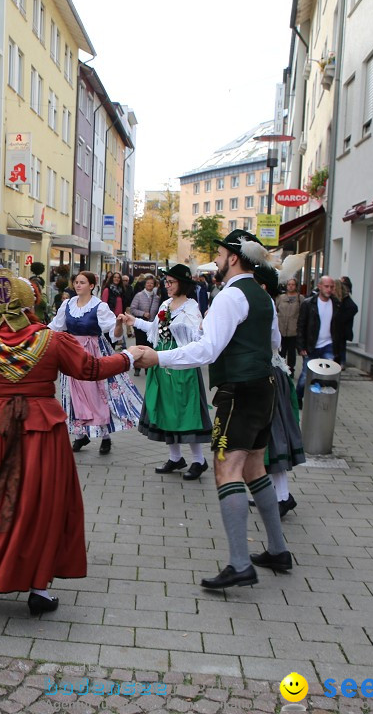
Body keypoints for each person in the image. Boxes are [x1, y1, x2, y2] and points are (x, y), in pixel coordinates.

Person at [0, 269, 142, 613]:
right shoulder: (51, 340)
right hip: (42, 434)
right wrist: (129, 356)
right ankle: (37, 588)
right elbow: (90, 369)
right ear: (29, 304)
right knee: (40, 506)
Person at [133, 230, 291, 590]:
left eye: (220, 254)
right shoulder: (263, 296)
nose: (217, 261)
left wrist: (160, 356)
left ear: (234, 257)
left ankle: (239, 564)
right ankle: (279, 550)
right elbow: (274, 343)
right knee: (254, 466)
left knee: (226, 470)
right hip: (264, 388)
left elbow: (207, 350)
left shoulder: (231, 296)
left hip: (239, 392)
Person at [126, 264, 211, 481]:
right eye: (166, 282)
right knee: (165, 408)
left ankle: (199, 460)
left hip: (181, 363)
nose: (167, 285)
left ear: (182, 284)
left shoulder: (191, 307)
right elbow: (154, 329)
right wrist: (133, 321)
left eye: (171, 282)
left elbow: (197, 337)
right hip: (161, 361)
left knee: (185, 411)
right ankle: (175, 457)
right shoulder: (166, 303)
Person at [49, 271, 143, 454]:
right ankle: (80, 435)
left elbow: (114, 335)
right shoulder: (67, 304)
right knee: (73, 393)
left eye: (82, 282)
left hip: (93, 352)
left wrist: (117, 324)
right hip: (72, 352)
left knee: (97, 394)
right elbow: (55, 327)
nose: (78, 285)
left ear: (91, 286)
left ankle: (105, 437)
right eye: (76, 282)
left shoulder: (99, 306)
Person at [255, 264, 305, 518]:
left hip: (270, 374)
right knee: (267, 438)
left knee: (273, 436)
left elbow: (275, 342)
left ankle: (283, 496)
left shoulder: (265, 307)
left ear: (262, 286)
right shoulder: (265, 305)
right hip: (267, 371)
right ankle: (276, 494)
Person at [296, 275, 340, 405]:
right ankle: (298, 397)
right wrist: (301, 346)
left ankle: (319, 400)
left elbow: (339, 327)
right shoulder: (309, 304)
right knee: (305, 375)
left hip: (328, 345)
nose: (329, 289)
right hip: (311, 345)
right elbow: (301, 326)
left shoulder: (336, 304)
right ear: (319, 286)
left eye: (332, 287)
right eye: (326, 286)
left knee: (327, 374)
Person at [129, 276, 162, 367]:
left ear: (154, 285)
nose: (149, 285)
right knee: (140, 345)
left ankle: (148, 366)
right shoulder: (139, 295)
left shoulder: (157, 298)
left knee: (149, 345)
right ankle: (137, 366)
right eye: (148, 283)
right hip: (140, 323)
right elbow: (133, 309)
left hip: (151, 325)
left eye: (151, 283)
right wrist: (143, 313)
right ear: (145, 284)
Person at [276, 278, 302, 375]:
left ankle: (291, 370)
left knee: (291, 352)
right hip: (281, 329)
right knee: (281, 351)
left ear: (296, 286)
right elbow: (276, 310)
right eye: (289, 284)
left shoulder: (300, 298)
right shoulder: (280, 298)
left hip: (293, 330)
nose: (290, 286)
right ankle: (281, 370)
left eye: (293, 284)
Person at [335, 276, 359, 364]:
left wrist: (341, 319)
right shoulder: (339, 299)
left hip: (342, 329)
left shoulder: (345, 299)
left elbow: (353, 308)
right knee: (340, 345)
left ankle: (342, 362)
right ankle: (341, 361)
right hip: (340, 328)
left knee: (341, 345)